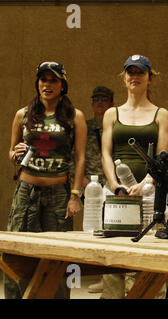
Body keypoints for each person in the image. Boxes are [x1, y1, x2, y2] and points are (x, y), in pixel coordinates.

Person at [6, 61, 87, 299]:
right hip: (26, 191)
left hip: (58, 193)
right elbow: (11, 152)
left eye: (53, 80)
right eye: (43, 79)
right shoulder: (23, 114)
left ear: (63, 85)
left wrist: (75, 195)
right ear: (37, 83)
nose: (47, 85)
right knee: (17, 251)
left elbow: (80, 158)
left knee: (59, 254)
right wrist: (15, 153)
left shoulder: (75, 116)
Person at [100, 54, 168, 298]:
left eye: (140, 72)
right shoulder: (111, 113)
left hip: (150, 194)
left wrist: (147, 183)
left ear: (150, 78)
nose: (135, 76)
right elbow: (105, 155)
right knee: (113, 260)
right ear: (124, 78)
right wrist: (114, 185)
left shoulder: (161, 114)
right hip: (117, 195)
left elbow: (162, 157)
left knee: (149, 256)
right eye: (130, 72)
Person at [83, 86, 114, 294]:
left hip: (112, 184)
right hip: (91, 186)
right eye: (96, 99)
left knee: (113, 232)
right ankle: (103, 276)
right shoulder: (84, 127)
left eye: (105, 99)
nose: (100, 103)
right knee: (94, 231)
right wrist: (81, 181)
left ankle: (110, 279)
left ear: (111, 102)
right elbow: (74, 155)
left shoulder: (115, 124)